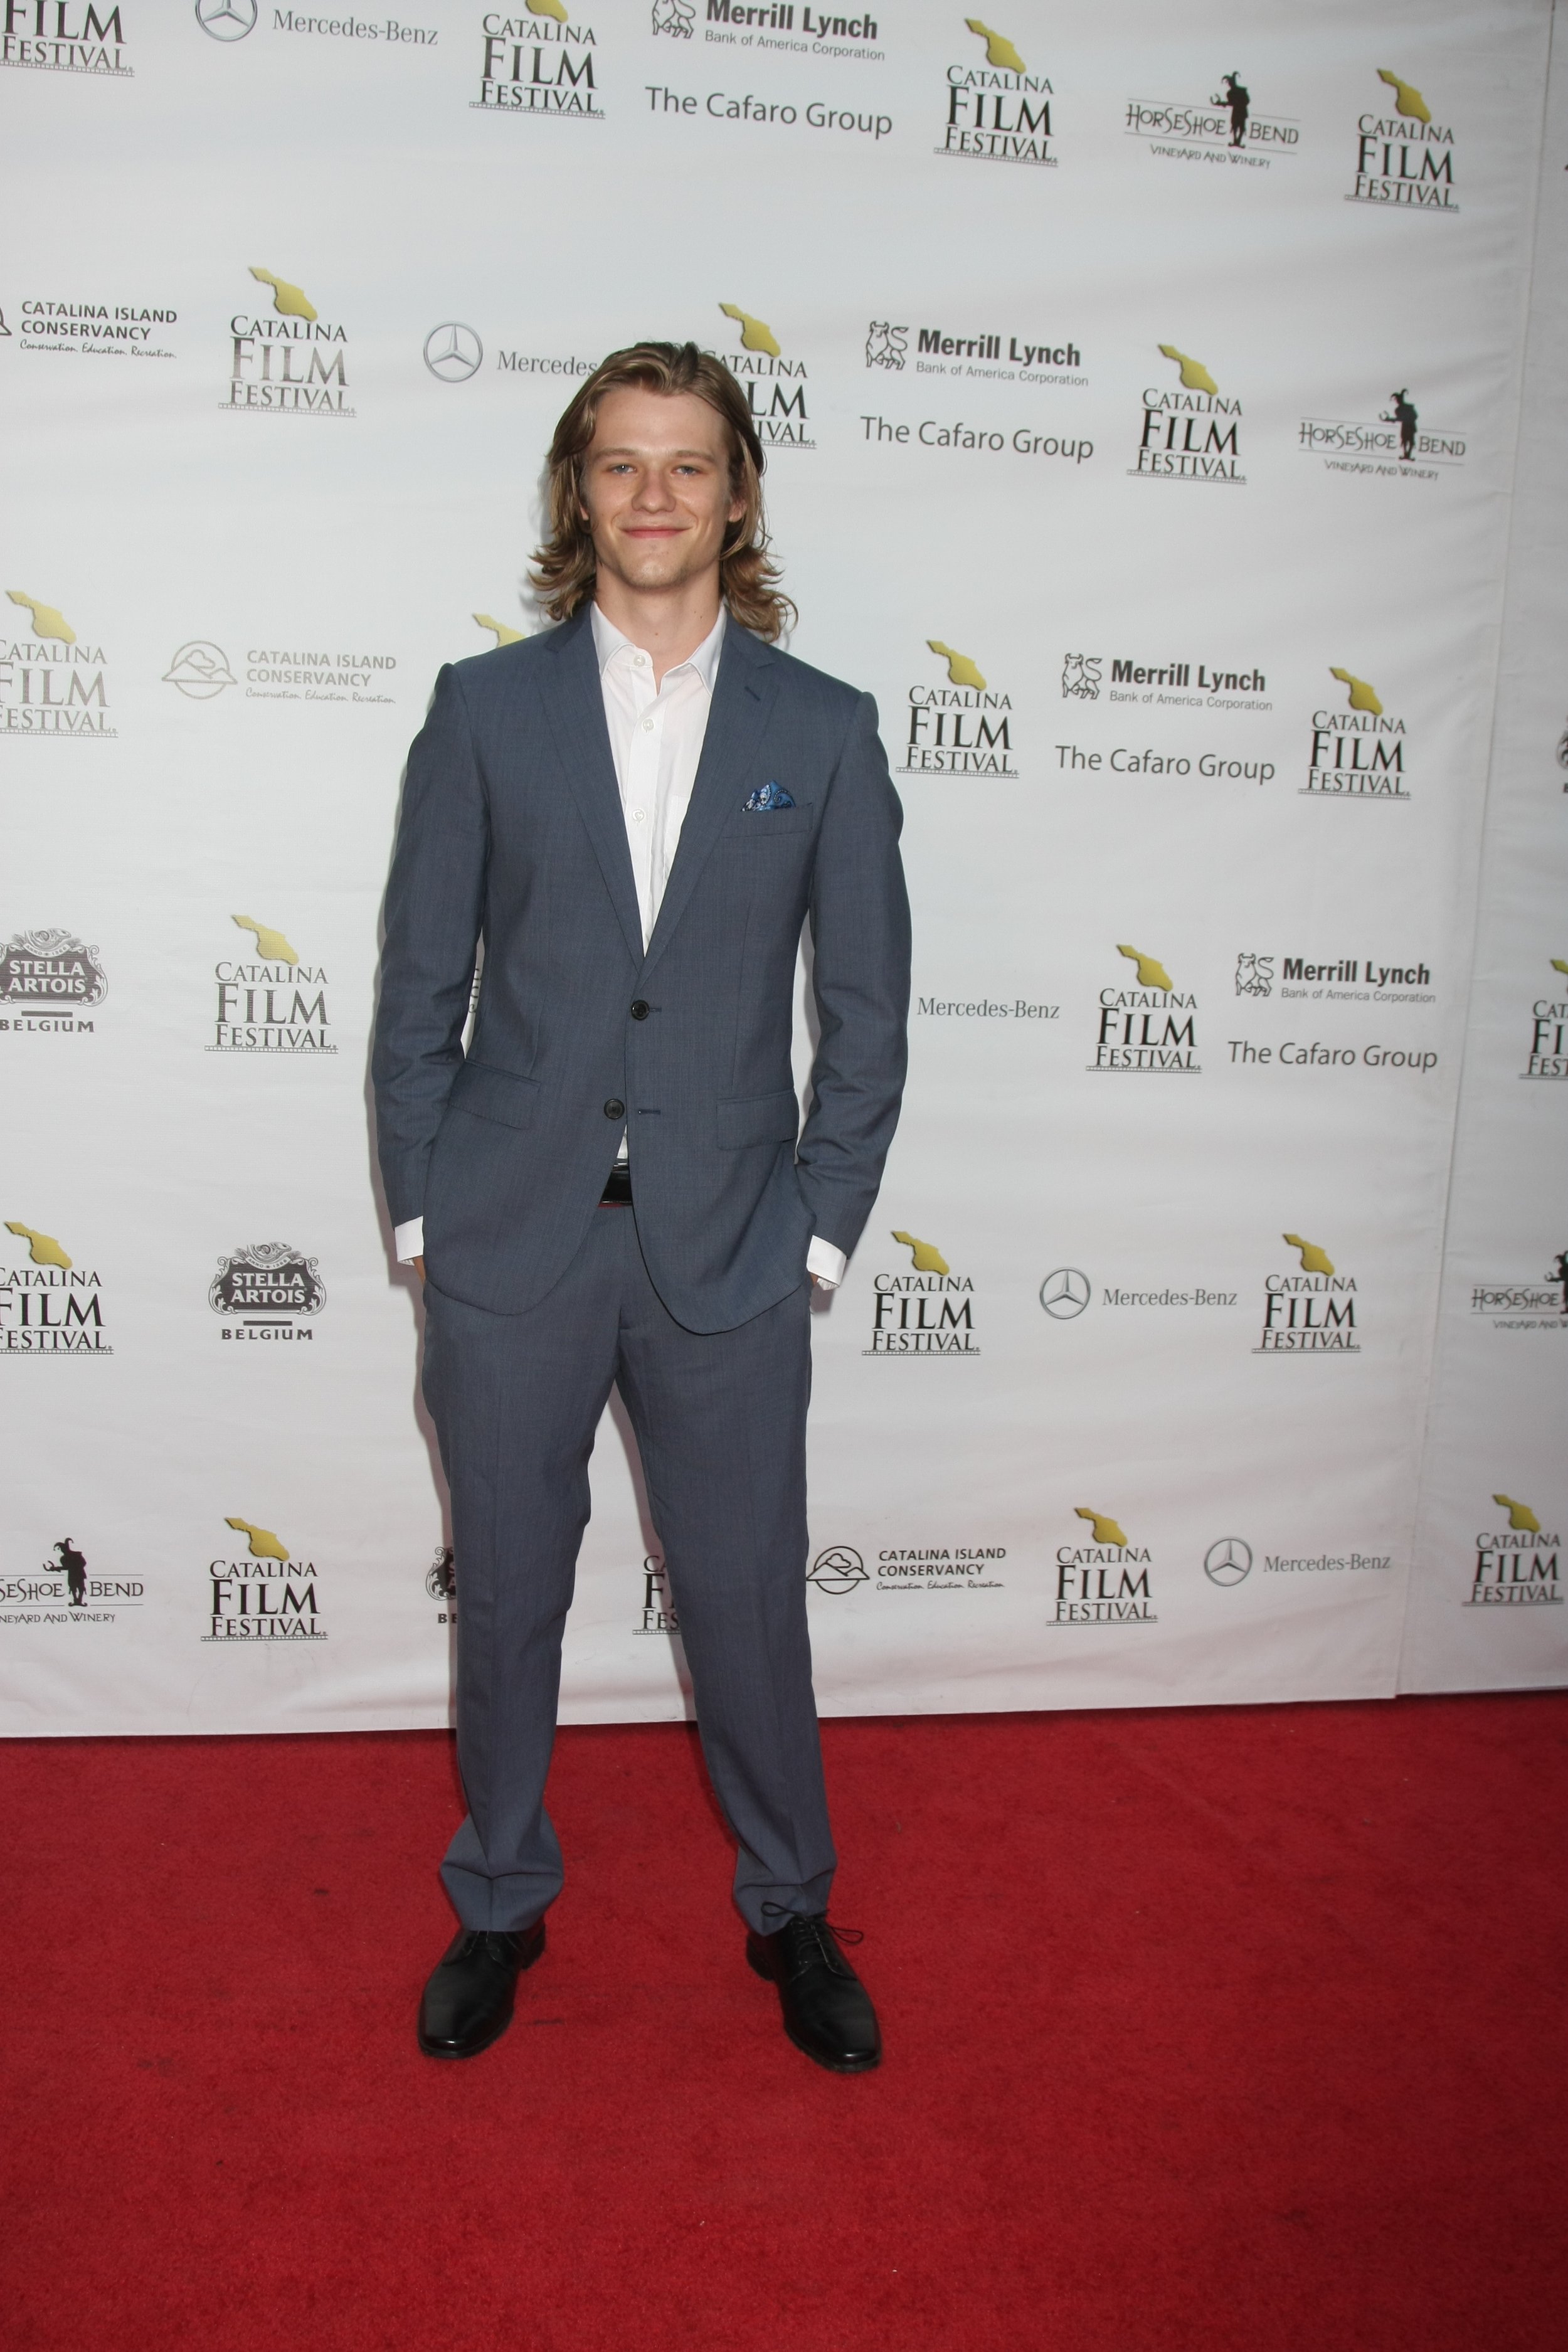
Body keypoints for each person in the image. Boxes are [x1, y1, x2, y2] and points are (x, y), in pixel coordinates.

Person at [372, 341, 911, 2071]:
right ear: (578, 491)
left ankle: (791, 1906)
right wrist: (424, 1213)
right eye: (621, 464)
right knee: (508, 1588)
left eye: (687, 464)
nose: (654, 494)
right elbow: (417, 988)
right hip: (509, 1239)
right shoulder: (484, 709)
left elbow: (869, 1014)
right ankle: (499, 1900)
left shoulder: (821, 729)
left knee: (747, 1597)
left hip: (732, 1247)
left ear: (737, 492)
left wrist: (818, 1227)